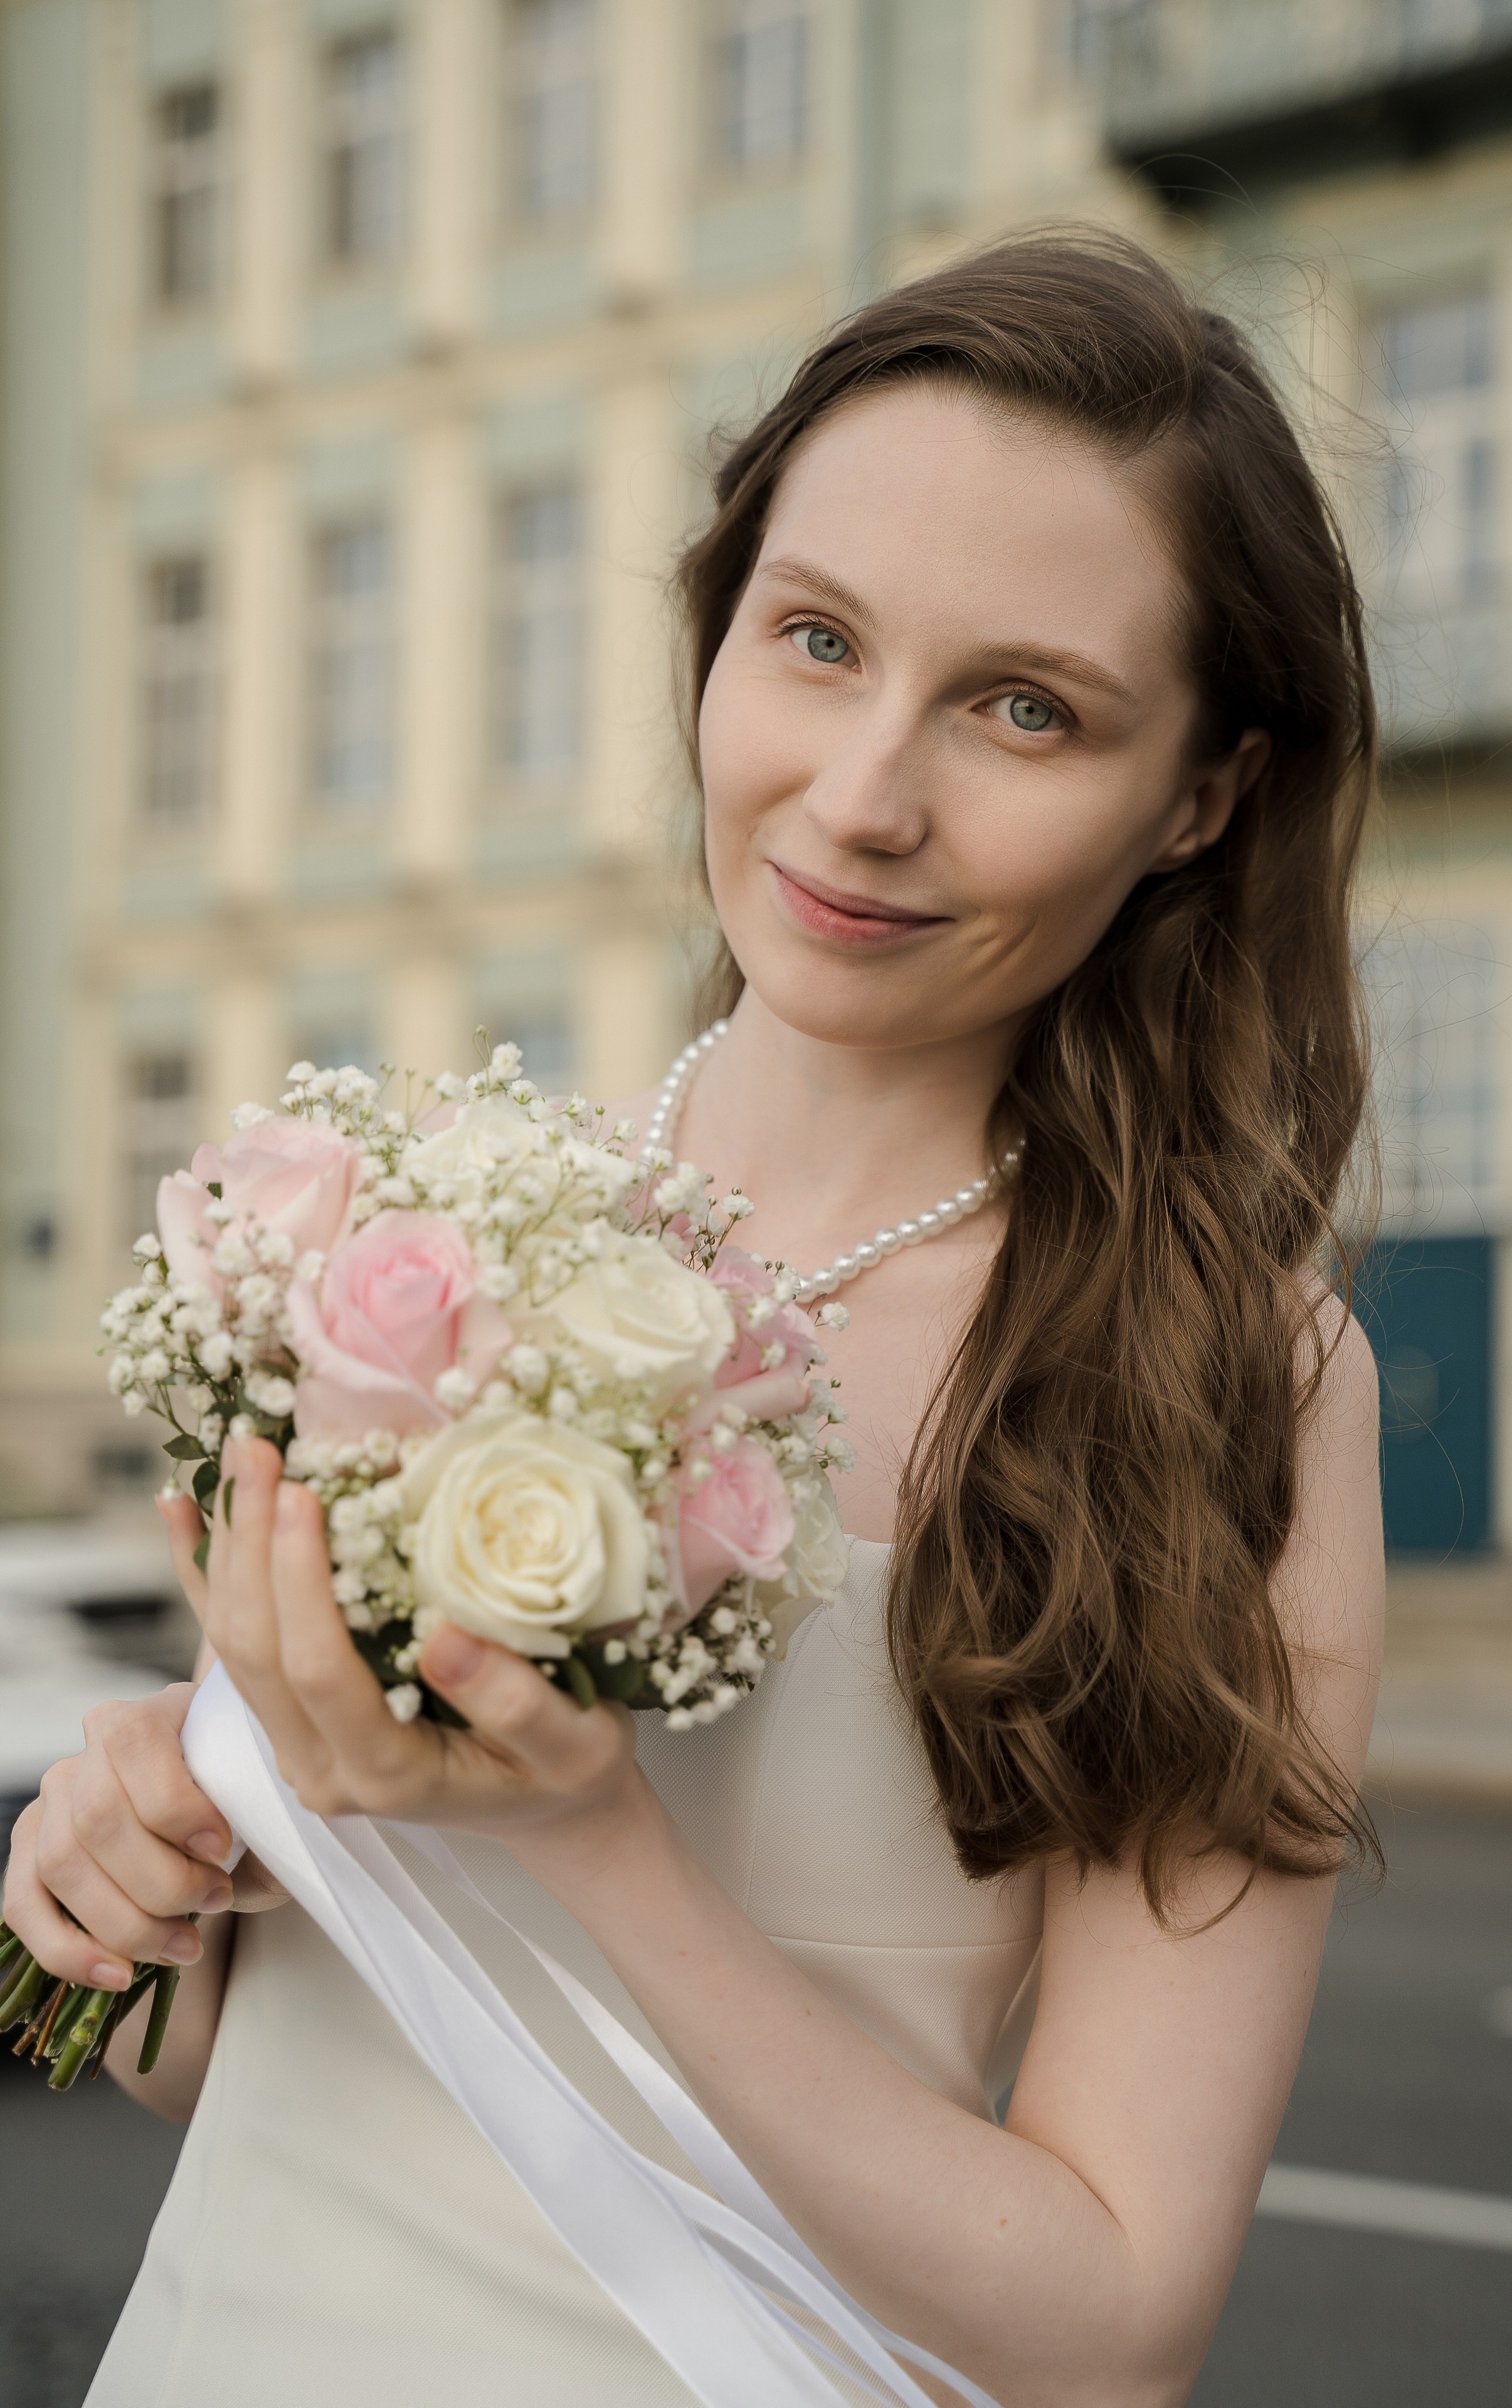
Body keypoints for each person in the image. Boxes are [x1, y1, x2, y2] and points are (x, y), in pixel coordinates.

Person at [4, 233, 1384, 2408]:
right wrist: (140, 1888)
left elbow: (1112, 2332)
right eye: (815, 639)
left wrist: (593, 1853)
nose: (861, 795)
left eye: (1027, 706)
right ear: (715, 633)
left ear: (1202, 792)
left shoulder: (1232, 1377)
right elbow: (267, 2072)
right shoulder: (411, 1226)